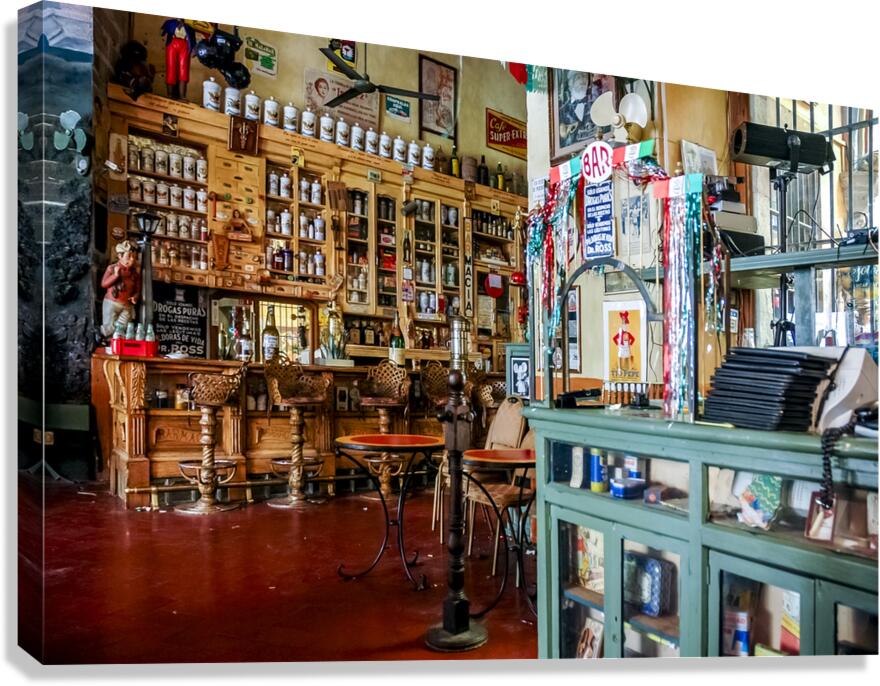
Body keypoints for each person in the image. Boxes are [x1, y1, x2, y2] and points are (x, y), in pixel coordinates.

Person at [100, 240, 141, 339]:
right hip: (112, 303)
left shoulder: (134, 273)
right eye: (129, 257)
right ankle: (106, 339)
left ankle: (116, 340)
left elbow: (137, 289)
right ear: (120, 256)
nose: (131, 260)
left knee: (123, 327)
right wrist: (115, 276)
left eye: (134, 257)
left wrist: (135, 296)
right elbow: (104, 284)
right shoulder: (112, 268)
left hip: (126, 305)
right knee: (109, 325)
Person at [160, 18, 196, 99]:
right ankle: (169, 95)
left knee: (183, 71)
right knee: (171, 69)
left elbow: (192, 38)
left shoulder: (189, 25)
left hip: (184, 45)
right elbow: (162, 32)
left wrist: (193, 49)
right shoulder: (171, 22)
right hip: (172, 45)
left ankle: (182, 96)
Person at [612, 310, 635, 374]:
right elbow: (614, 338)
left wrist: (630, 344)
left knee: (627, 356)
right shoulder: (620, 333)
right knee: (620, 356)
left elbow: (633, 339)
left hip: (626, 347)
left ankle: (628, 368)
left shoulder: (628, 333)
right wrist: (618, 344)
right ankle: (619, 368)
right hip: (621, 347)